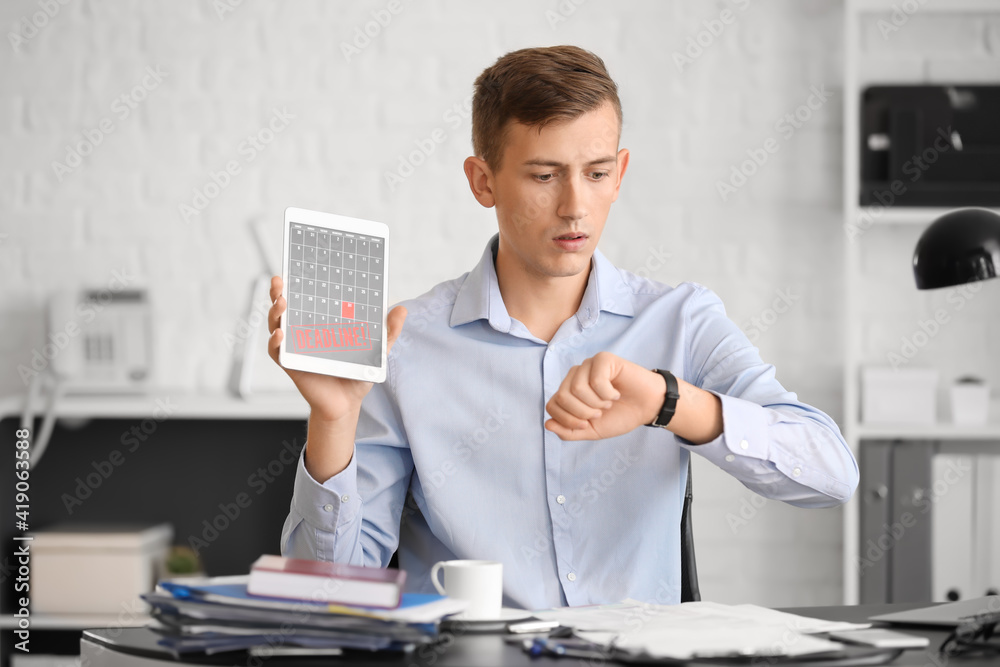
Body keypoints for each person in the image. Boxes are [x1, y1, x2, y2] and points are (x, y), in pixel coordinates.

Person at [269, 45, 858, 610]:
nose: (575, 205)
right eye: (545, 176)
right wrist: (334, 421)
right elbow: (324, 598)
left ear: (620, 173)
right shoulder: (405, 347)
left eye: (597, 173)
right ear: (483, 181)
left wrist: (669, 401)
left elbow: (831, 473)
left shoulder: (682, 320)